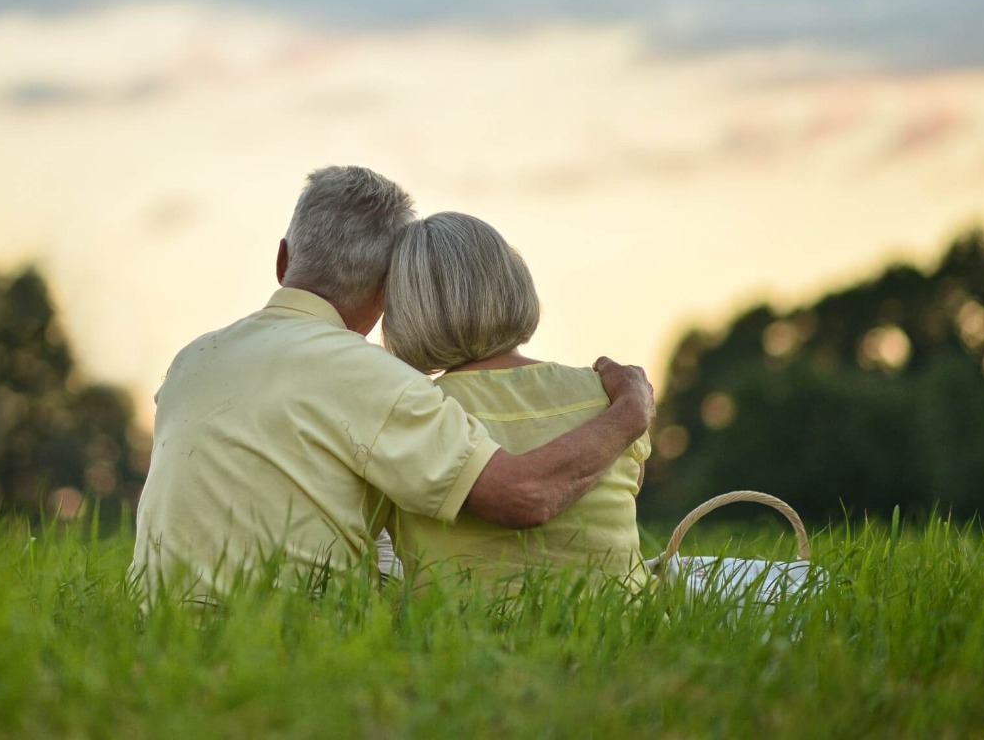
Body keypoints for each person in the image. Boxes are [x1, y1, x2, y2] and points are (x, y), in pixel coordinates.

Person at [131, 166, 653, 604]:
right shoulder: (370, 376)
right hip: (292, 642)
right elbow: (523, 496)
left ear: (284, 260)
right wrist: (629, 414)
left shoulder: (191, 360)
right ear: (389, 290)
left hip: (157, 633)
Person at [382, 212, 651, 588]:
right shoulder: (610, 392)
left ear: (404, 312)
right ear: (513, 282)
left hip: (459, 638)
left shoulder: (410, 412)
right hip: (631, 633)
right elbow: (630, 484)